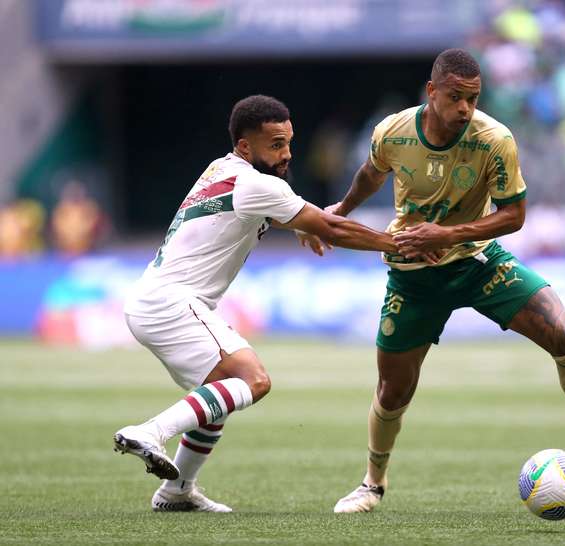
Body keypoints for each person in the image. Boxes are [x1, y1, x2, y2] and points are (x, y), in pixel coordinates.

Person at [321, 49, 565, 513]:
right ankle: (373, 483)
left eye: (472, 98)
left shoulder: (495, 139)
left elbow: (514, 215)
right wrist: (342, 211)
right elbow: (371, 174)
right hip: (414, 274)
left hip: (478, 263)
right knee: (393, 390)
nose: (465, 108)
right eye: (455, 97)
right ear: (432, 92)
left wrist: (448, 234)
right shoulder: (392, 131)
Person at [114, 95, 400, 513]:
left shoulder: (224, 169)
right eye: (275, 145)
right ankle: (150, 432)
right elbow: (331, 227)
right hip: (174, 303)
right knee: (253, 380)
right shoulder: (258, 184)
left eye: (288, 143)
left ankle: (177, 491)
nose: (286, 154)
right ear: (246, 148)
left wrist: (301, 222)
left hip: (155, 300)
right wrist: (396, 243)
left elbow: (277, 212)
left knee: (221, 392)